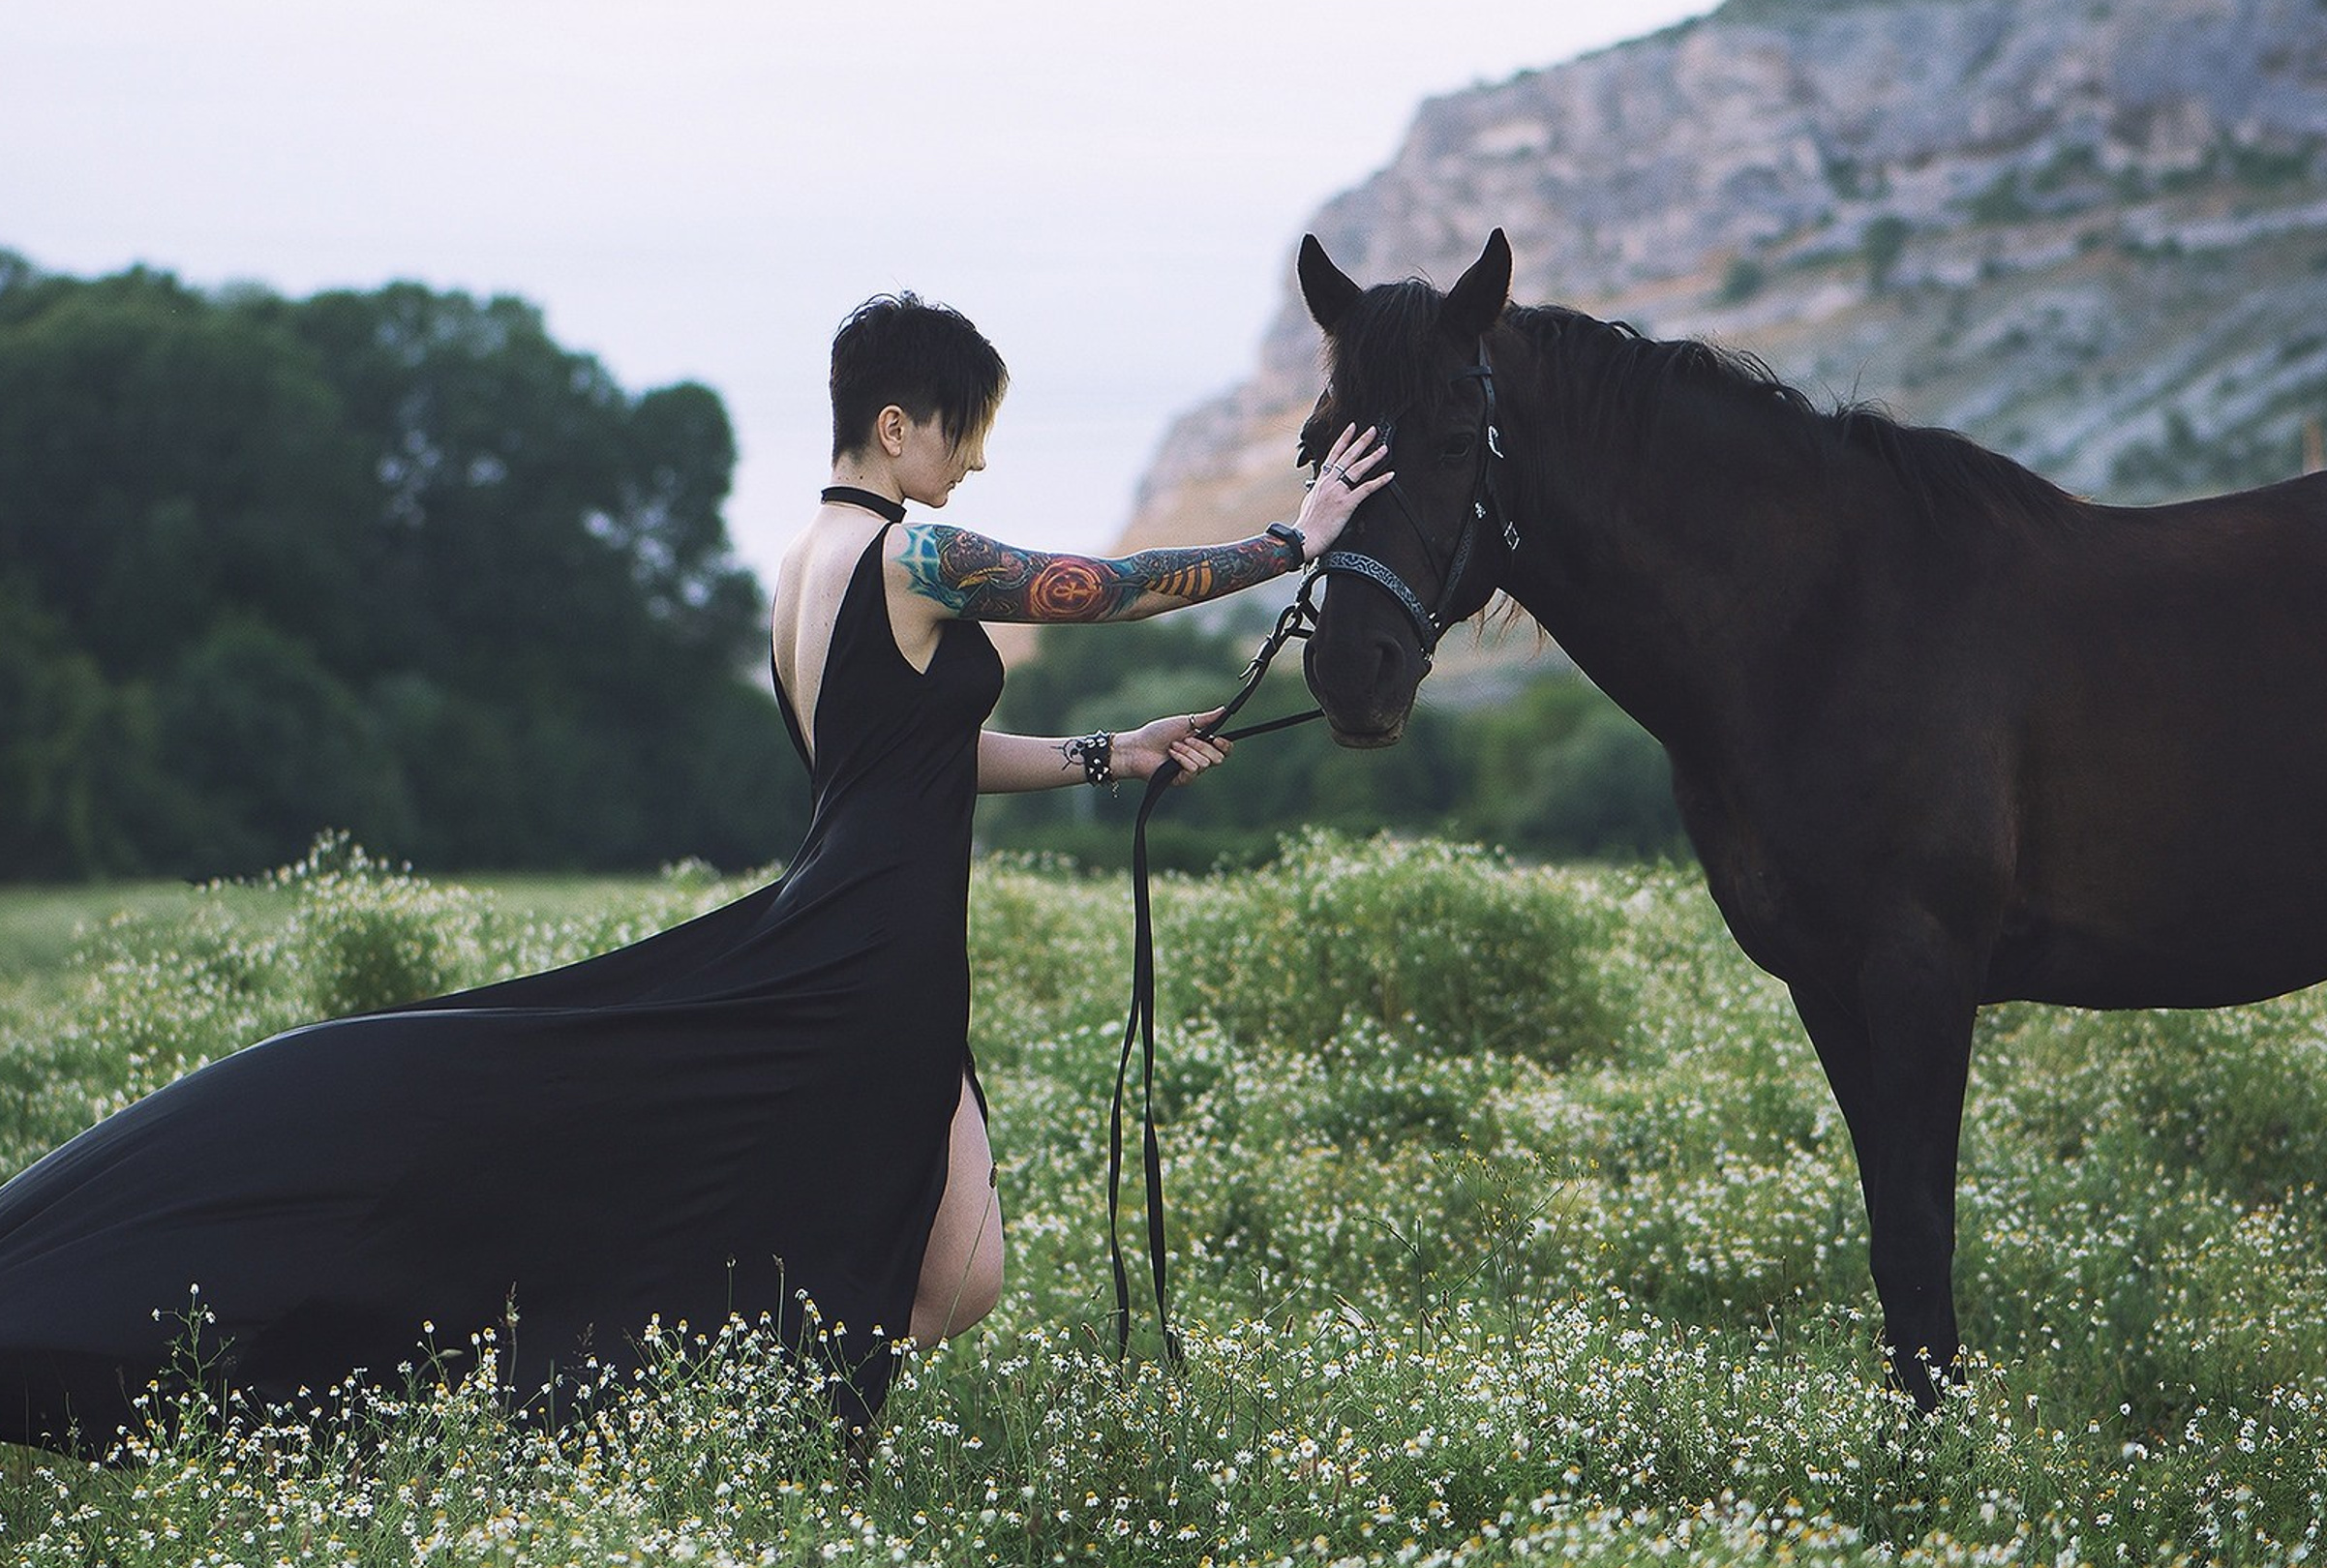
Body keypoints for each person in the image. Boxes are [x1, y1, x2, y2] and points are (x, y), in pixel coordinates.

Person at [0, 290, 1389, 1449]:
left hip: (863, 920)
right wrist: (1289, 543)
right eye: (962, 434)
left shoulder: (803, 567)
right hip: (870, 944)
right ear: (895, 424)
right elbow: (1104, 581)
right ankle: (755, 1436)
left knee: (947, 1264)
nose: (970, 466)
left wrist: (1114, 751)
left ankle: (754, 1429)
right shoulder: (914, 553)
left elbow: (909, 756)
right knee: (935, 1262)